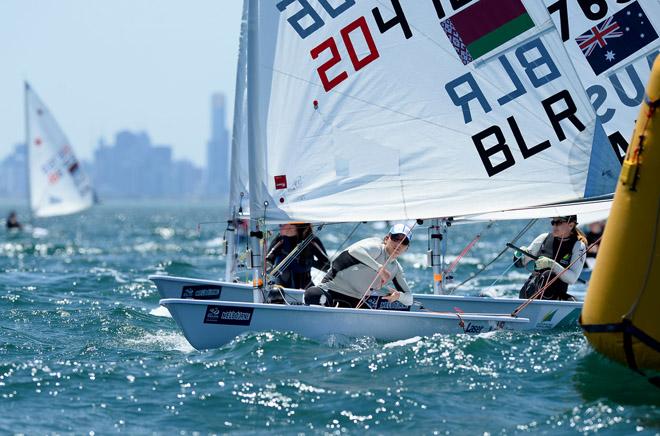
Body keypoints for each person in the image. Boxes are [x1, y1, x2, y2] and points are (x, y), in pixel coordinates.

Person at [304, 223, 414, 309]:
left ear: (407, 248)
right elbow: (354, 251)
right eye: (395, 238)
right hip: (331, 290)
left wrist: (398, 296)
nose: (399, 244)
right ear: (386, 238)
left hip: (355, 300)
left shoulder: (396, 269)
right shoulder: (377, 248)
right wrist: (379, 268)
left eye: (404, 242)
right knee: (312, 294)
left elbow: (409, 299)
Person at [514, 215, 587, 301]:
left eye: (559, 222)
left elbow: (572, 279)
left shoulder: (578, 246)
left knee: (549, 275)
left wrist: (552, 264)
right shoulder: (543, 238)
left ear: (571, 225)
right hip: (530, 293)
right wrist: (519, 255)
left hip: (554, 297)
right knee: (547, 275)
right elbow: (519, 264)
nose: (554, 225)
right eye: (553, 222)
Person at [265, 223, 330, 290]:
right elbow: (267, 262)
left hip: (305, 288)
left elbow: (327, 265)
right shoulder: (280, 240)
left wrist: (310, 263)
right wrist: (273, 268)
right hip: (281, 289)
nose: (279, 226)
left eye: (282, 224)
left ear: (293, 227)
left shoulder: (311, 240)